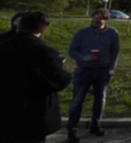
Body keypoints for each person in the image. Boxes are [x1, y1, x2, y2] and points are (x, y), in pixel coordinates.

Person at [0, 11, 71, 143]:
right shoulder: (43, 51)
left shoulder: (3, 44)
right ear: (43, 28)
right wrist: (59, 66)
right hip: (33, 114)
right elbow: (59, 80)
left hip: (5, 111)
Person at [67, 8, 120, 143]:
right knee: (77, 100)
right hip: (83, 70)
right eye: (95, 17)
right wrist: (83, 57)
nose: (97, 20)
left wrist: (111, 70)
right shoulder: (82, 33)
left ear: (106, 19)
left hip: (102, 71)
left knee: (100, 99)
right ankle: (72, 130)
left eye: (101, 18)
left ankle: (95, 125)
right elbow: (72, 50)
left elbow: (115, 53)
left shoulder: (112, 33)